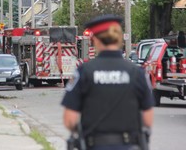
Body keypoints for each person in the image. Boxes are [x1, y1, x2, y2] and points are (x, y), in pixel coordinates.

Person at [61, 14, 154, 150]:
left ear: (95, 40)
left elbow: (70, 120)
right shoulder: (137, 73)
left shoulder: (84, 72)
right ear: (119, 38)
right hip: (129, 145)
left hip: (95, 145)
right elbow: (148, 119)